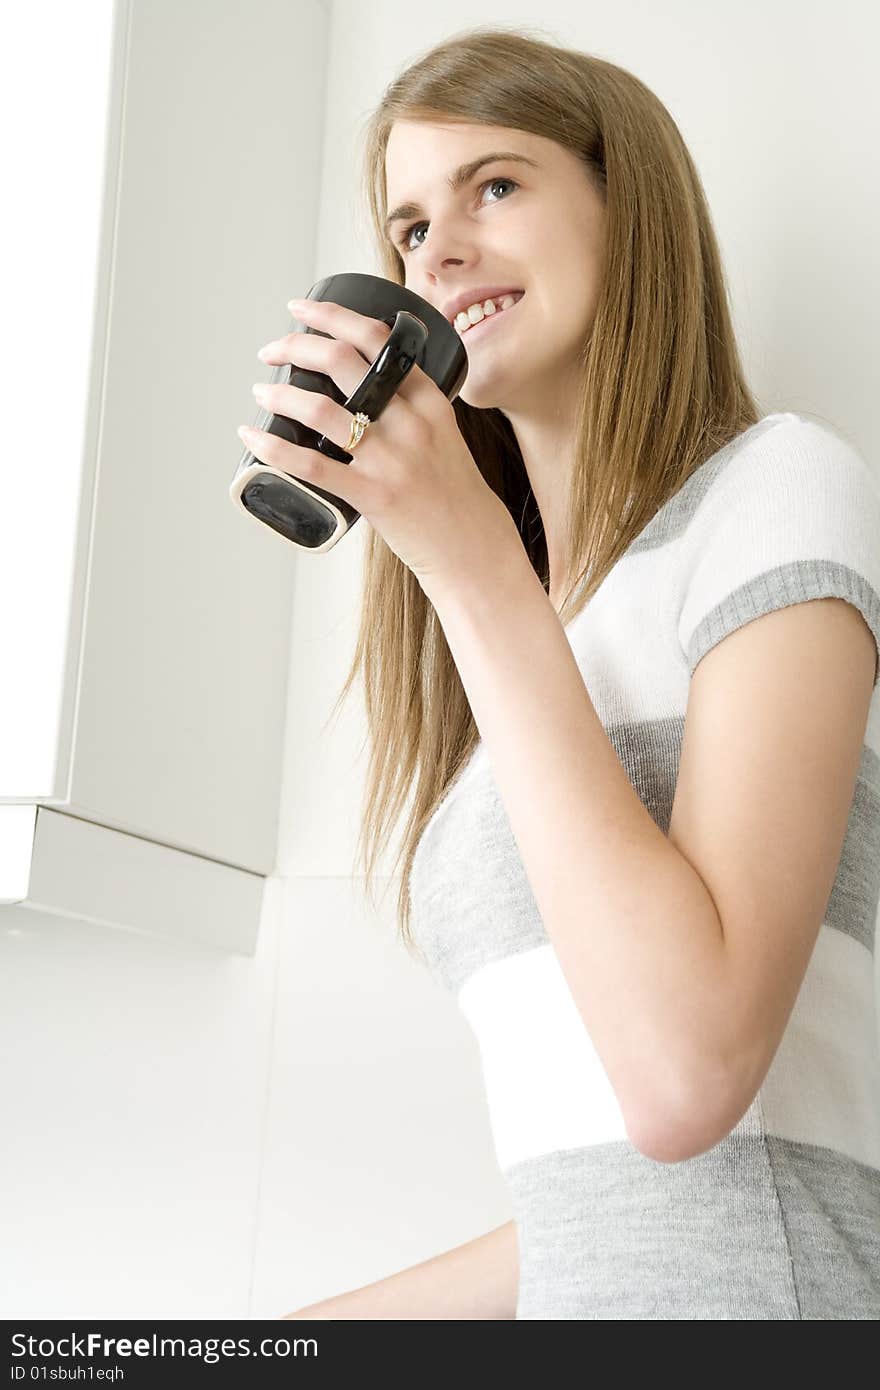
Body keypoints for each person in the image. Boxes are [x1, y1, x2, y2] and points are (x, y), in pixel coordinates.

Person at [262, 26, 880, 1319]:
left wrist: (470, 568)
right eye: (410, 229)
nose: (441, 254)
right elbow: (601, 1194)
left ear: (627, 206)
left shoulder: (771, 489)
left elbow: (686, 1077)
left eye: (496, 185)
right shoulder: (513, 640)